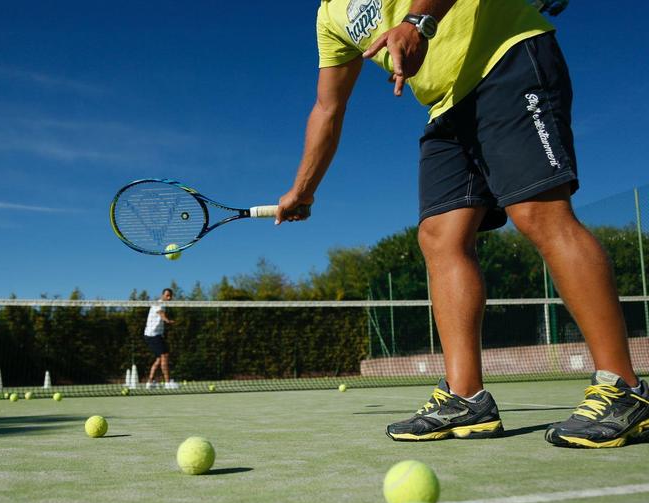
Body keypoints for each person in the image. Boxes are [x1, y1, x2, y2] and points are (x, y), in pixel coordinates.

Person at [275, 0, 649, 448]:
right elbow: (326, 107)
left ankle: (624, 390)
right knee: (438, 236)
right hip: (446, 107)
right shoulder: (328, 16)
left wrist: (418, 20)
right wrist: (303, 188)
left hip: (505, 59)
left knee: (538, 213)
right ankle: (466, 398)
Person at [144, 288, 179, 389]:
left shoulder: (164, 305)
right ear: (162, 295)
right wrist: (167, 320)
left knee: (159, 359)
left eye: (170, 296)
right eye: (167, 295)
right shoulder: (158, 304)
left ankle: (150, 382)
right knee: (165, 356)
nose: (169, 297)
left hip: (155, 335)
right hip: (152, 335)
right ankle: (167, 382)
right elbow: (161, 314)